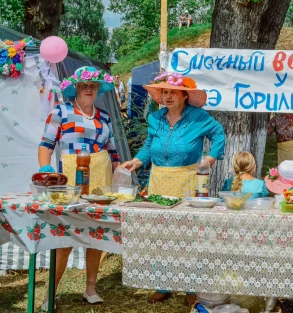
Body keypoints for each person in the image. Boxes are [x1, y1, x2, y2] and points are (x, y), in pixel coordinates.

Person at [120, 71, 225, 306]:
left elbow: (218, 133)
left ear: (184, 95)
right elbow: (149, 146)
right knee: (161, 233)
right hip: (158, 180)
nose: (167, 96)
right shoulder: (155, 118)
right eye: (164, 92)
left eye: (172, 92)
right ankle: (163, 284)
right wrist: (136, 161)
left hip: (188, 179)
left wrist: (211, 158)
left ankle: (190, 287)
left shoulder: (198, 117)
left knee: (188, 233)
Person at [38, 66, 119, 310]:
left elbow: (113, 152)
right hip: (70, 180)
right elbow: (46, 144)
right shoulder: (61, 111)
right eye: (85, 85)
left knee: (96, 234)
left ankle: (91, 288)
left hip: (100, 179)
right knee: (65, 237)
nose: (89, 89)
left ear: (98, 89)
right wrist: (46, 170)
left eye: (93, 85)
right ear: (76, 88)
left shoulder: (104, 116)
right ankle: (50, 294)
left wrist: (119, 180)